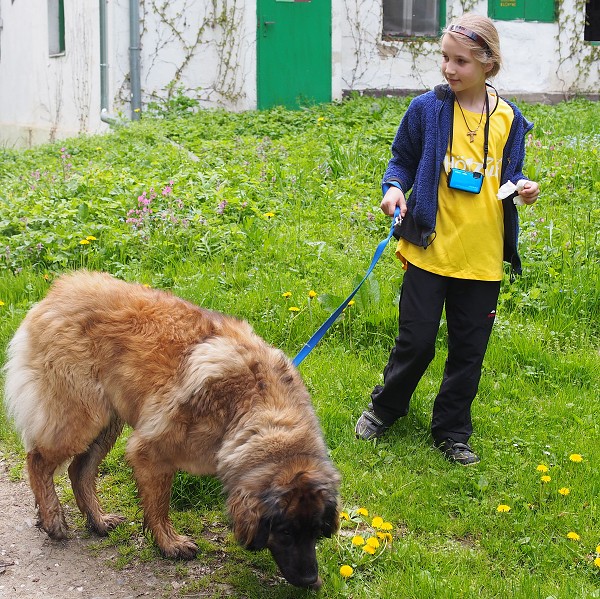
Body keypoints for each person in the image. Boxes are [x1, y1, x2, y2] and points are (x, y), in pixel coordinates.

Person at [354, 13, 540, 465]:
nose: (449, 69)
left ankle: (452, 430)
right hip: (429, 249)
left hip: (483, 257)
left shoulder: (510, 119)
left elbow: (509, 174)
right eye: (445, 58)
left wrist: (524, 187)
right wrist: (393, 188)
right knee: (415, 342)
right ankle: (385, 407)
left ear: (488, 64)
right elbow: (401, 160)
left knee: (468, 352)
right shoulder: (428, 109)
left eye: (461, 61)